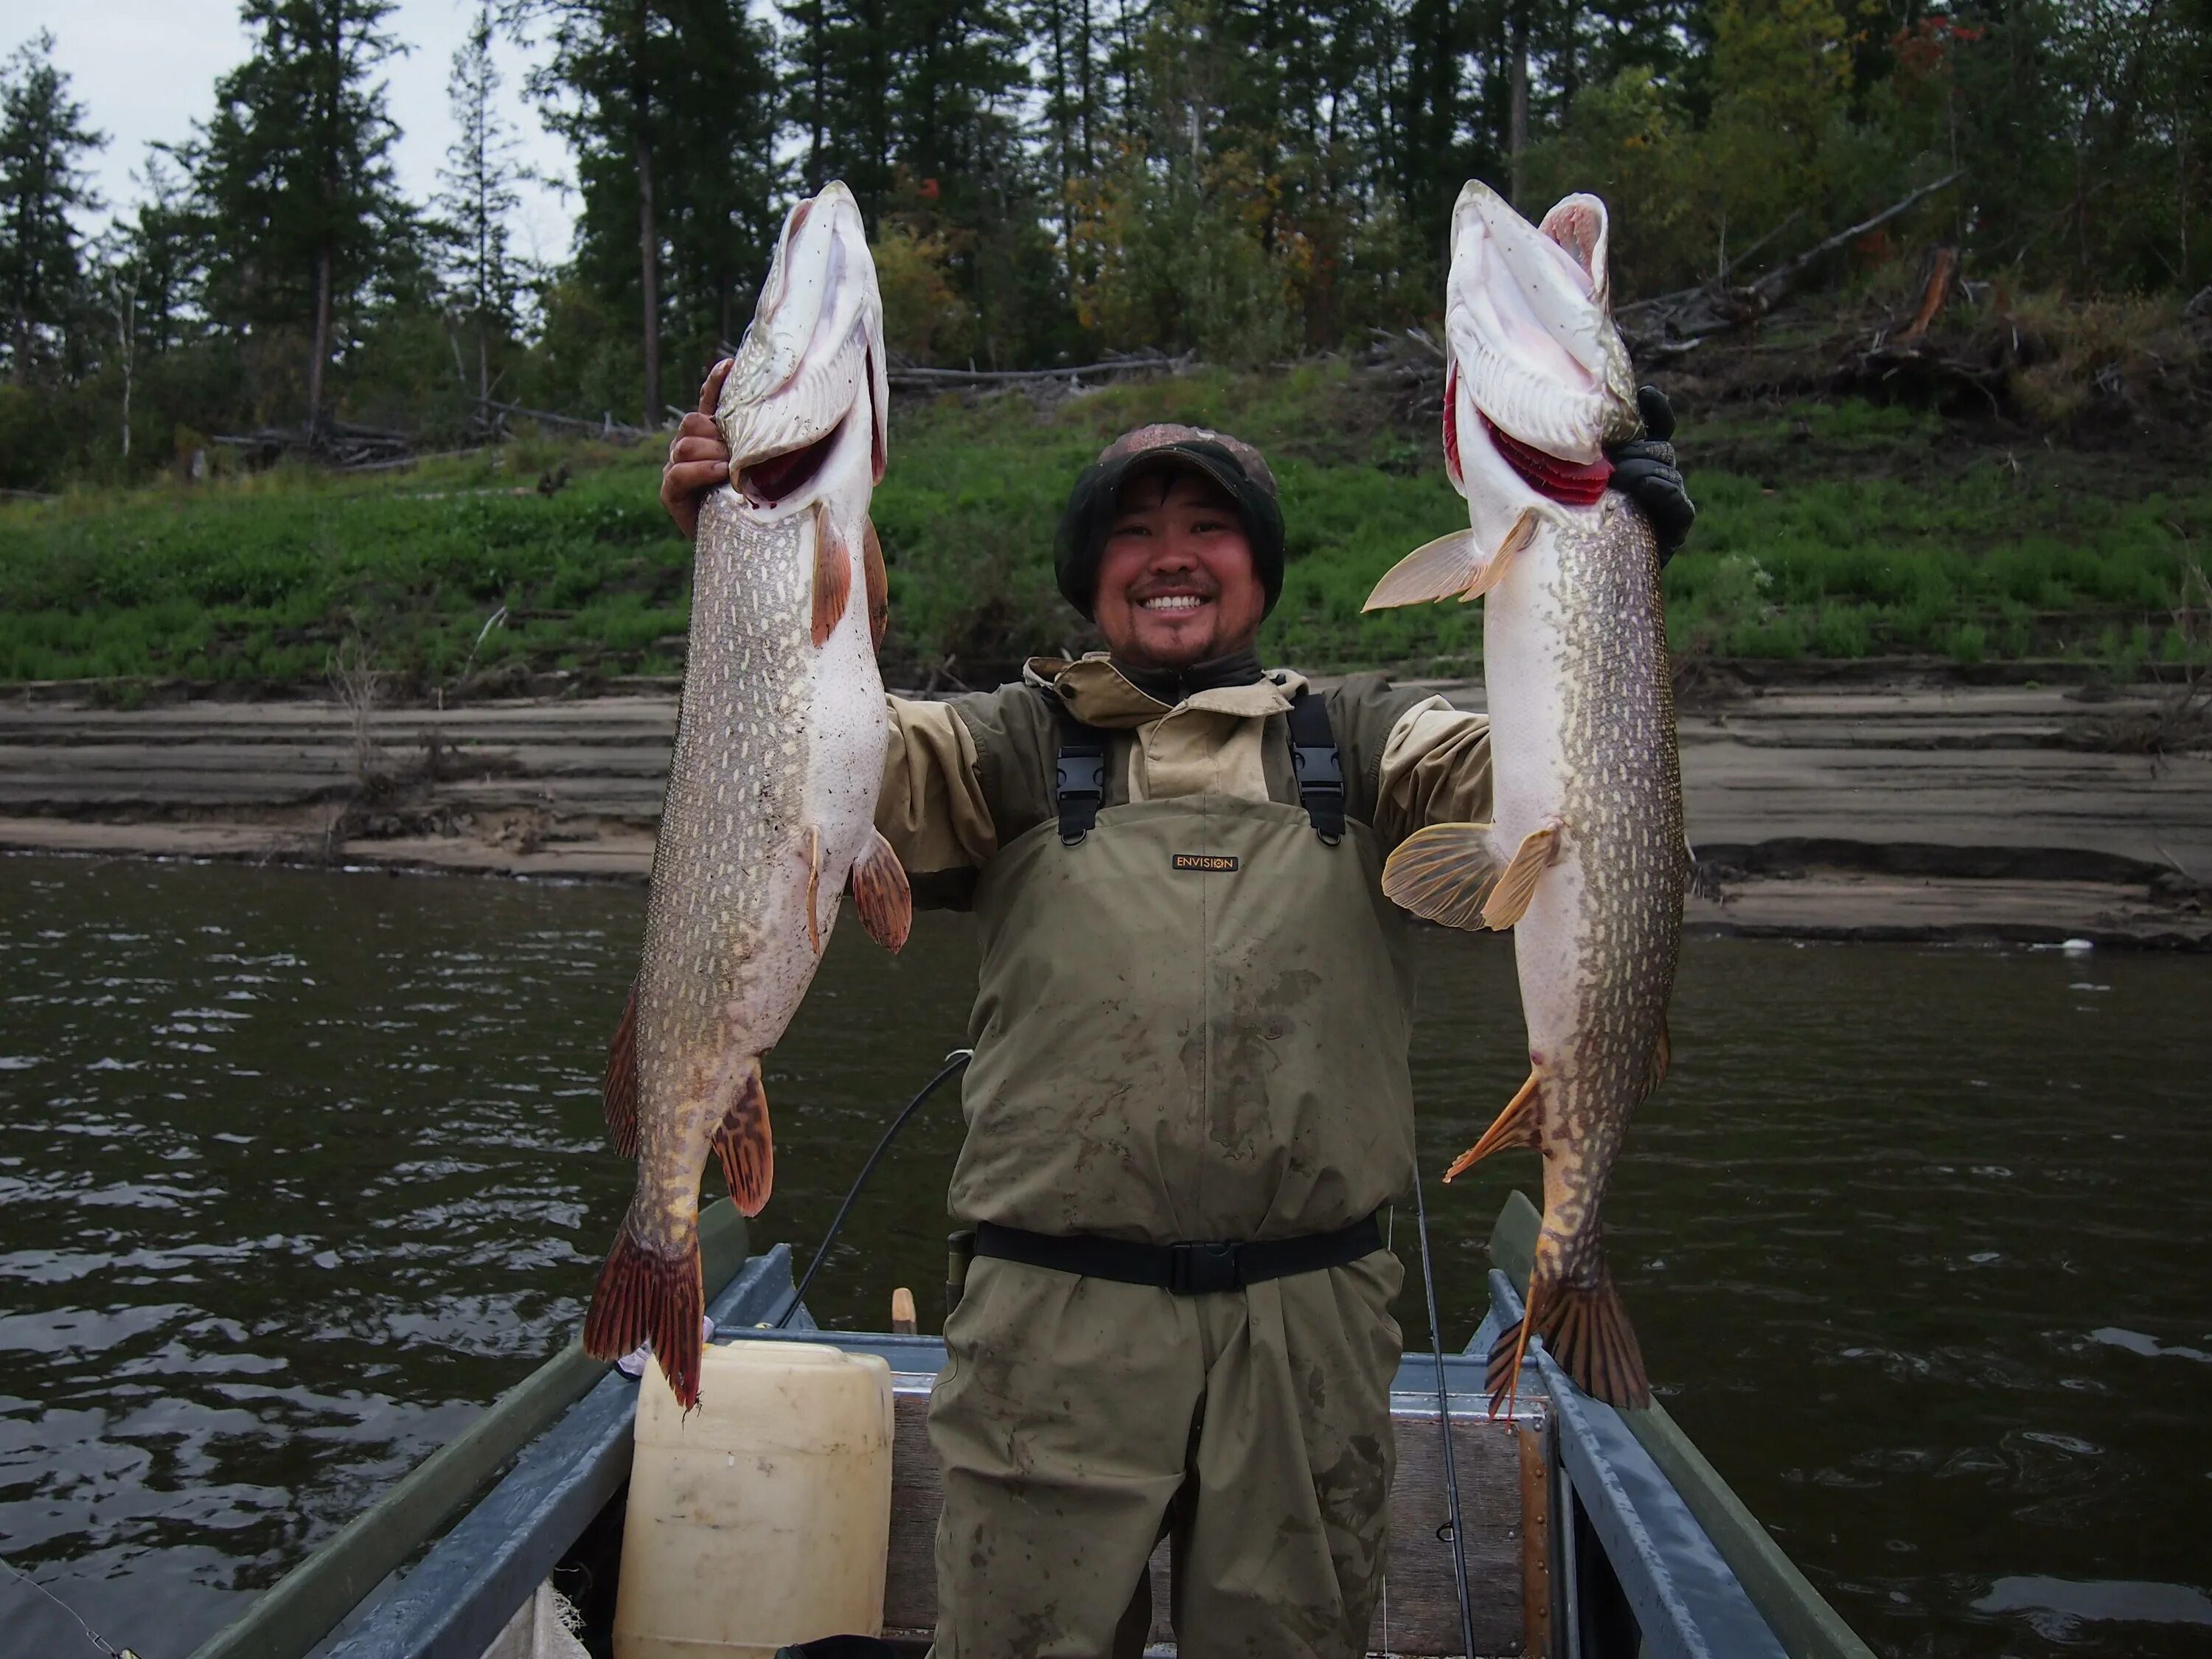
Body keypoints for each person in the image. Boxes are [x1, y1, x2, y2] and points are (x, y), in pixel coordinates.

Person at [661, 370, 1692, 1658]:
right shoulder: (1013, 747)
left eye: (1207, 528)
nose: (1170, 559)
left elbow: (1569, 787)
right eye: (1132, 533)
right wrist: (751, 553)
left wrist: (1613, 584)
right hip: (1051, 1324)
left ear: (1257, 571)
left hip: (1311, 1323)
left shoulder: (1363, 740)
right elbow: (816, 761)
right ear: (1090, 578)